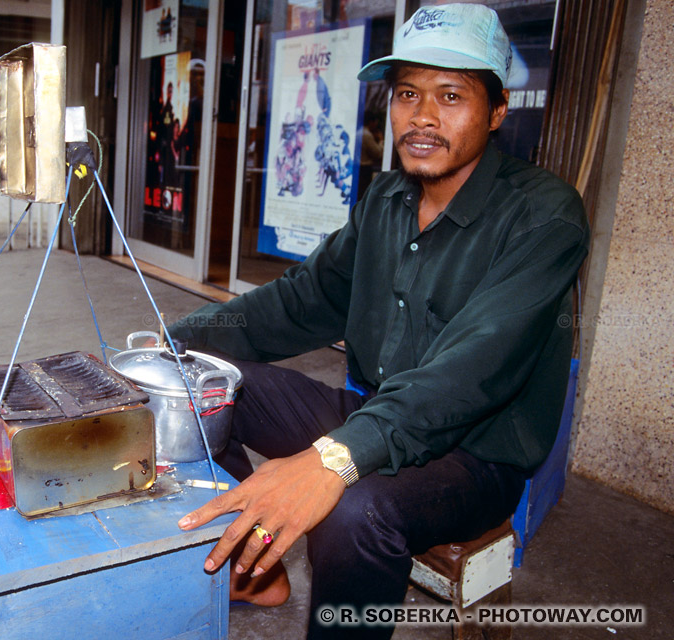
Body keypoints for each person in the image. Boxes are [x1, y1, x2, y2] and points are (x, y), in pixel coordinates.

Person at [167, 4, 590, 638]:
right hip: (374, 417)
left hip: (473, 456)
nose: (422, 116)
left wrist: (335, 458)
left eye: (451, 95)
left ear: (497, 110)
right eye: (408, 94)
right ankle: (257, 572)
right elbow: (298, 302)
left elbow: (472, 370)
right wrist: (175, 339)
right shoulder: (386, 202)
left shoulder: (544, 217)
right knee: (201, 386)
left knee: (355, 510)